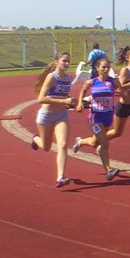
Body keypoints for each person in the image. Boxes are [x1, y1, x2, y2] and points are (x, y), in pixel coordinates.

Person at [72, 57, 122, 182]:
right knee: (104, 143)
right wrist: (79, 104)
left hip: (108, 116)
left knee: (95, 142)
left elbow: (122, 91)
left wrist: (124, 92)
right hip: (95, 117)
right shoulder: (92, 82)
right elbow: (83, 90)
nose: (105, 69)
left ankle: (80, 142)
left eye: (107, 67)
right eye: (103, 67)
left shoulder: (113, 81)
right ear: (97, 68)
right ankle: (109, 170)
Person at [31, 52, 76, 187]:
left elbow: (63, 98)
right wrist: (64, 101)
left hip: (61, 115)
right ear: (57, 62)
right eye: (64, 61)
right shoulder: (52, 77)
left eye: (68, 61)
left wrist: (70, 102)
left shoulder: (68, 78)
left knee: (62, 145)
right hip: (46, 115)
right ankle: (35, 139)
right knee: (46, 147)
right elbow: (41, 98)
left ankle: (60, 176)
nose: (66, 64)